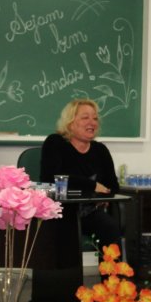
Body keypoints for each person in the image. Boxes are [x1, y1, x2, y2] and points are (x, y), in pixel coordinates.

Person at [40, 99, 121, 247]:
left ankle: (111, 270)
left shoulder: (100, 150)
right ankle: (66, 271)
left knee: (110, 227)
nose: (92, 122)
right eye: (85, 117)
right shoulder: (55, 142)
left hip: (89, 213)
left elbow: (113, 186)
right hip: (59, 212)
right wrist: (93, 186)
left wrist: (104, 195)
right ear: (70, 123)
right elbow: (54, 177)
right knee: (65, 232)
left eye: (95, 118)